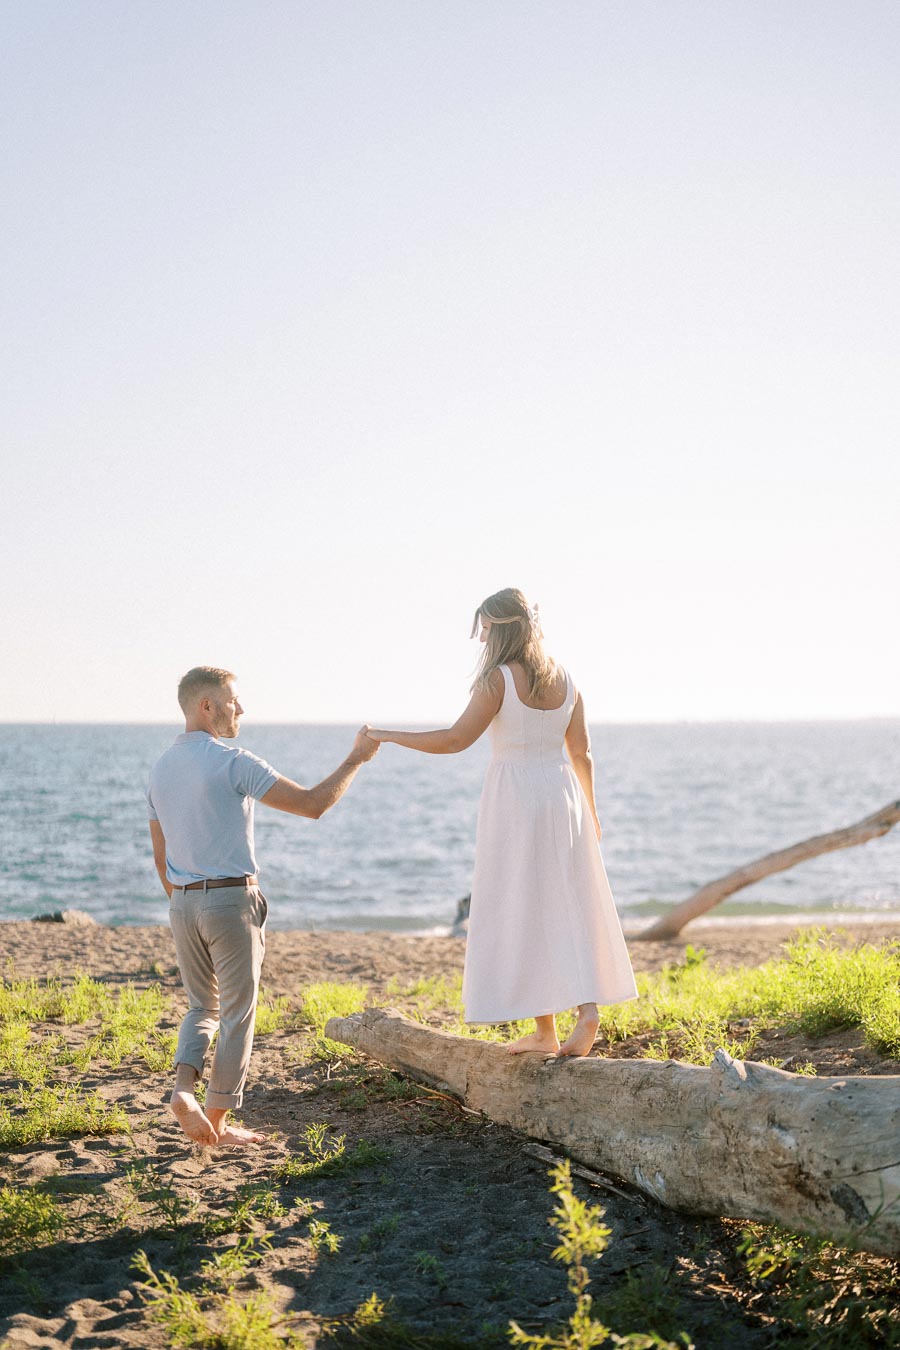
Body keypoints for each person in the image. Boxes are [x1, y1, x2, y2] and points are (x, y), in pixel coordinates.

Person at [366, 588, 637, 1056]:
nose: (481, 639)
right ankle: (572, 1017)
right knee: (569, 903)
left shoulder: (497, 680)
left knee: (524, 906)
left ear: (504, 629)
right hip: (563, 793)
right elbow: (582, 752)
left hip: (516, 798)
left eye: (486, 629)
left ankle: (552, 1027)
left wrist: (386, 736)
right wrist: (591, 809)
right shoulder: (567, 680)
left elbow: (455, 740)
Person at [148, 666, 379, 1147]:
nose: (242, 709)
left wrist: (187, 904)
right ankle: (217, 1124)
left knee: (201, 1007)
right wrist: (356, 759)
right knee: (237, 1013)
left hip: (182, 904)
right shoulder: (233, 761)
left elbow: (160, 856)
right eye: (233, 700)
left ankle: (182, 1092)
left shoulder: (160, 769)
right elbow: (314, 804)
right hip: (230, 901)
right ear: (206, 705)